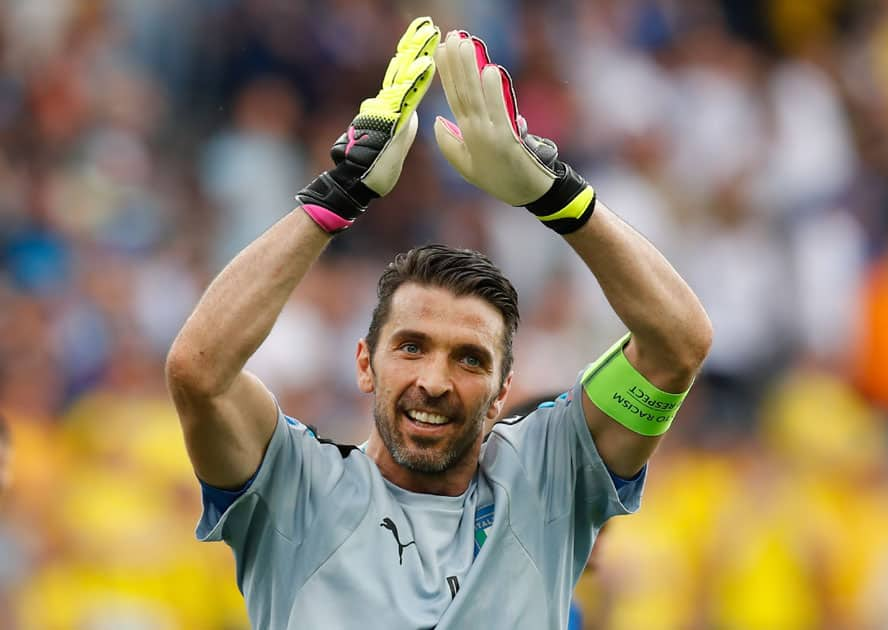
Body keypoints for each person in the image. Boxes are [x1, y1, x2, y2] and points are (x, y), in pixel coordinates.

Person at [165, 17, 712, 629]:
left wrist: (558, 197)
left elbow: (678, 342)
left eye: (470, 358)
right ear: (365, 364)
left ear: (506, 388)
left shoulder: (549, 479)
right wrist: (335, 197)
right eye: (411, 346)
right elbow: (199, 370)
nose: (434, 379)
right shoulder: (297, 488)